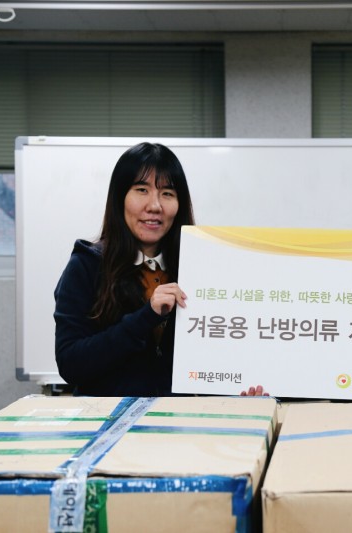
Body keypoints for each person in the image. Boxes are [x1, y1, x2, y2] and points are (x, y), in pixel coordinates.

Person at [54, 142, 267, 398]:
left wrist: (239, 390)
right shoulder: (87, 265)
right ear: (120, 197)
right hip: (109, 418)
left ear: (179, 204)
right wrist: (147, 316)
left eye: (167, 193)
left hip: (180, 419)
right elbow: (71, 364)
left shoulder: (200, 268)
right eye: (141, 190)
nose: (155, 205)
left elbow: (217, 358)